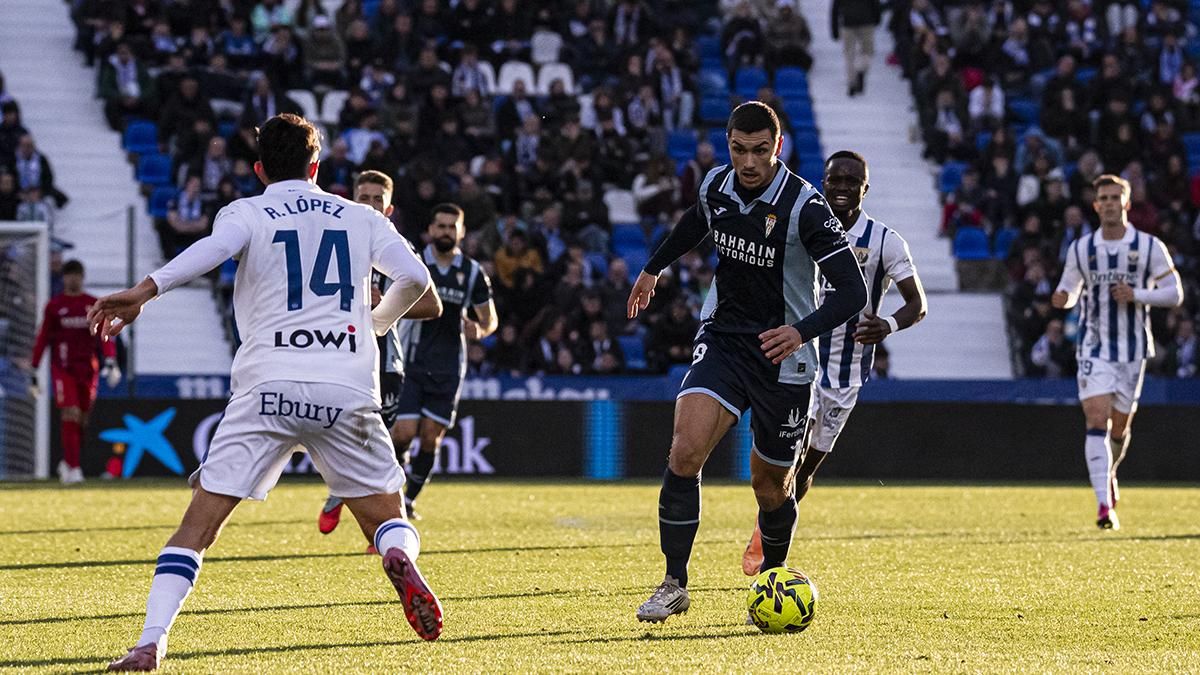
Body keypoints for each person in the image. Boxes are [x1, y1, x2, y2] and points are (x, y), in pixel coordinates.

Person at [90, 114, 444, 672]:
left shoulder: (247, 212)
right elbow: (418, 281)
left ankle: (150, 642)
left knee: (197, 528)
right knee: (387, 518)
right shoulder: (361, 217)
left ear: (259, 169)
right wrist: (375, 323)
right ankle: (397, 553)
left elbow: (208, 252)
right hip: (346, 388)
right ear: (316, 167)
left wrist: (143, 291)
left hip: (267, 387)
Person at [627, 102, 868, 623]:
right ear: (729, 145)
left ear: (778, 147)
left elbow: (854, 291)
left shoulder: (806, 206)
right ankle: (673, 584)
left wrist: (800, 331)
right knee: (684, 452)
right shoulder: (716, 184)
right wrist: (653, 268)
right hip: (725, 341)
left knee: (770, 486)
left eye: (761, 151)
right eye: (740, 150)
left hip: (785, 356)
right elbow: (695, 223)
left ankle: (773, 580)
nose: (750, 162)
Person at [739, 150, 928, 575]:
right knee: (783, 460)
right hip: (796, 363)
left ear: (865, 188)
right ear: (823, 183)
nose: (842, 188)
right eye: (834, 180)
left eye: (851, 182)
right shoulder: (802, 226)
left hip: (845, 375)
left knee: (806, 467)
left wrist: (887, 325)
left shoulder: (885, 241)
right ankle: (771, 535)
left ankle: (767, 527)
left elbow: (917, 304)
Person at [1051, 174, 1183, 530]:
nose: (1109, 203)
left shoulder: (1149, 246)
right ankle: (1103, 506)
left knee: (1120, 428)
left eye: (1115, 197)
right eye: (1104, 198)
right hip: (1093, 346)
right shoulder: (1082, 248)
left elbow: (1175, 293)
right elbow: (1069, 288)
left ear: (1126, 203)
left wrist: (1136, 294)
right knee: (1097, 419)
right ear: (1096, 205)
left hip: (1133, 348)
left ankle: (1108, 473)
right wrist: (1063, 299)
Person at [317, 170, 442, 538]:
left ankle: (384, 529)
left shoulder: (399, 250)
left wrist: (385, 305)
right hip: (336, 355)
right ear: (352, 201)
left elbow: (433, 305)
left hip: (384, 362)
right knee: (339, 436)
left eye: (377, 199)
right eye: (364, 197)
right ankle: (344, 490)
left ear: (389, 209)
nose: (370, 204)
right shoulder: (332, 243)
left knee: (382, 445)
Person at [30, 260, 120, 484]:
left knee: (82, 419)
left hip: (88, 370)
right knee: (70, 412)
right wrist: (34, 367)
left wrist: (110, 360)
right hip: (63, 369)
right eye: (69, 275)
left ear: (82, 277)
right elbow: (43, 337)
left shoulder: (92, 305)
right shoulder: (55, 306)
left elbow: (104, 335)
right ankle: (74, 468)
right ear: (63, 278)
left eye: (76, 275)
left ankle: (68, 462)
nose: (73, 279)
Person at [831, 0, 881, 96]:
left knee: (849, 54)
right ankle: (861, 69)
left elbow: (835, 8)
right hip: (866, 21)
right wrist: (877, 19)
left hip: (848, 21)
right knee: (867, 51)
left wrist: (834, 29)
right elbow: (875, 4)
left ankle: (852, 83)